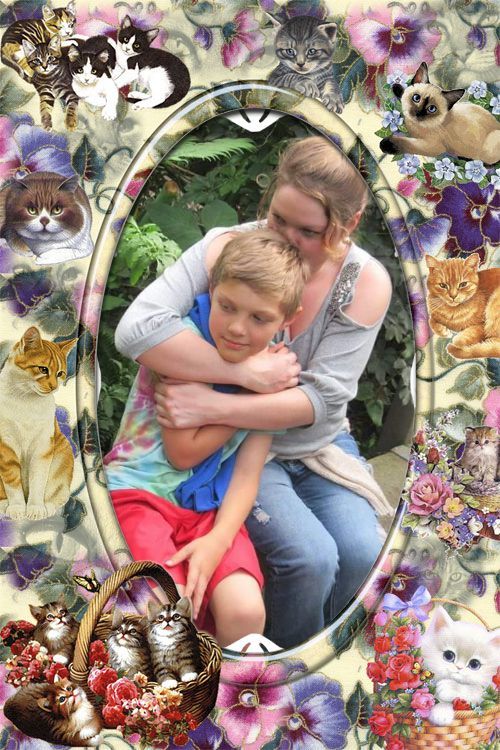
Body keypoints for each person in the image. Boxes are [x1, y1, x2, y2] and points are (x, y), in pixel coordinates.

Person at [115, 135, 393, 649]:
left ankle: (311, 665)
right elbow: (136, 331)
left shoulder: (365, 283)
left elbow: (322, 403)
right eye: (278, 219)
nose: (287, 239)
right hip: (236, 450)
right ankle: (272, 669)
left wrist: (218, 402)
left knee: (361, 552)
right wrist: (247, 375)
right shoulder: (233, 253)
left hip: (306, 441)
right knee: (309, 558)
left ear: (348, 225)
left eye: (308, 231)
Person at [105, 229, 307, 647]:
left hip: (207, 511)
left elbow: (247, 475)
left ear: (287, 319)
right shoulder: (185, 346)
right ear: (211, 289)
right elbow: (182, 453)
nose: (236, 328)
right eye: (227, 306)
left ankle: (228, 689)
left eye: (259, 318)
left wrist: (218, 541)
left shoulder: (275, 370)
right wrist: (253, 400)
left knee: (245, 610)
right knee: (166, 609)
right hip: (142, 492)